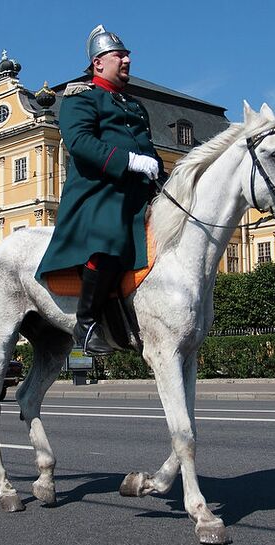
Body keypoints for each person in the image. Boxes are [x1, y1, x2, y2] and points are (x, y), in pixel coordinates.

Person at [35, 25, 165, 356]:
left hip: (138, 190)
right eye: (119, 55)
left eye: (127, 54)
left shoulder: (134, 104)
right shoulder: (80, 98)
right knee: (110, 235)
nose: (127, 59)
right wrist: (129, 161)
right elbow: (80, 143)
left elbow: (145, 146)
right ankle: (87, 322)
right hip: (98, 191)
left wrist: (157, 171)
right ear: (98, 63)